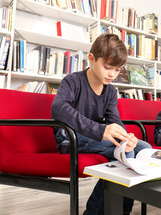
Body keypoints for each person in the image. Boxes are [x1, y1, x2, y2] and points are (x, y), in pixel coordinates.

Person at [51, 33, 151, 215]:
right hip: (69, 137)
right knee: (127, 153)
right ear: (91, 59)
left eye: (118, 69)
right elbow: (58, 108)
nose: (112, 74)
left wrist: (126, 136)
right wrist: (100, 130)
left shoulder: (111, 92)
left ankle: (119, 210)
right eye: (107, 67)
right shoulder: (73, 81)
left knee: (143, 148)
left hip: (92, 136)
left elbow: (115, 120)